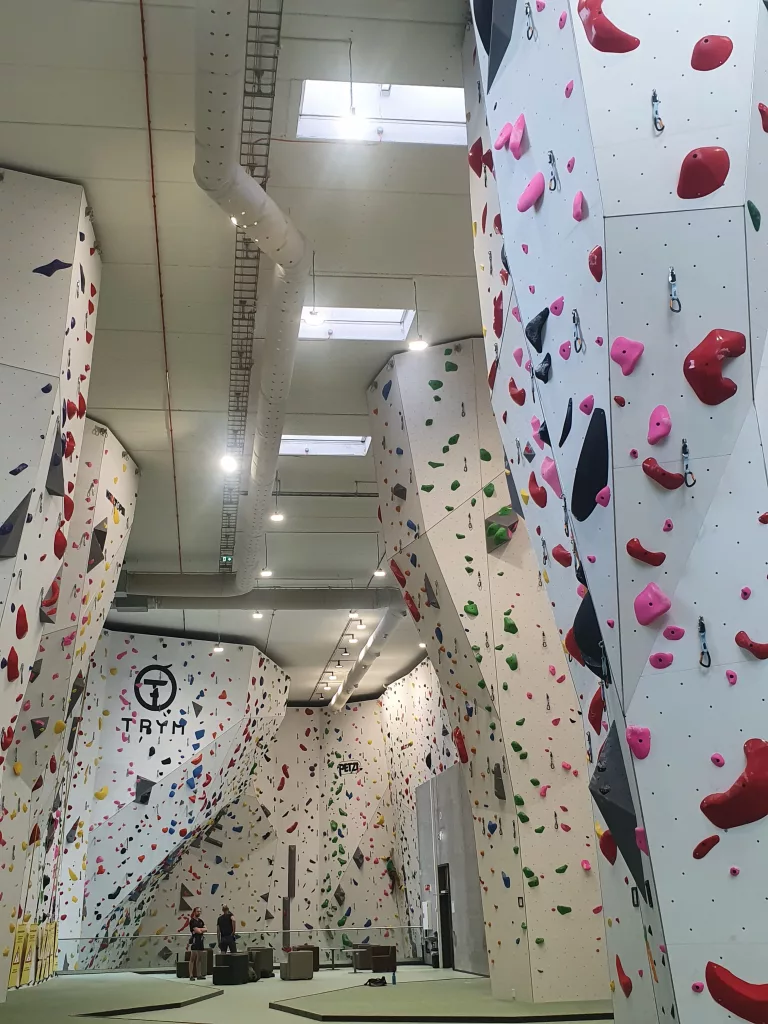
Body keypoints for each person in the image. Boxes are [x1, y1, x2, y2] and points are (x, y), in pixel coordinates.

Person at [188, 908, 207, 981]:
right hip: (195, 940)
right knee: (193, 958)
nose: (199, 912)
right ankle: (191, 975)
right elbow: (197, 931)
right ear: (194, 912)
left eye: (200, 911)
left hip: (201, 941)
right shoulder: (192, 921)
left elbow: (206, 929)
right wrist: (201, 930)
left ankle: (199, 974)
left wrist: (200, 930)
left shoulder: (201, 921)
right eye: (197, 911)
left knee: (199, 958)